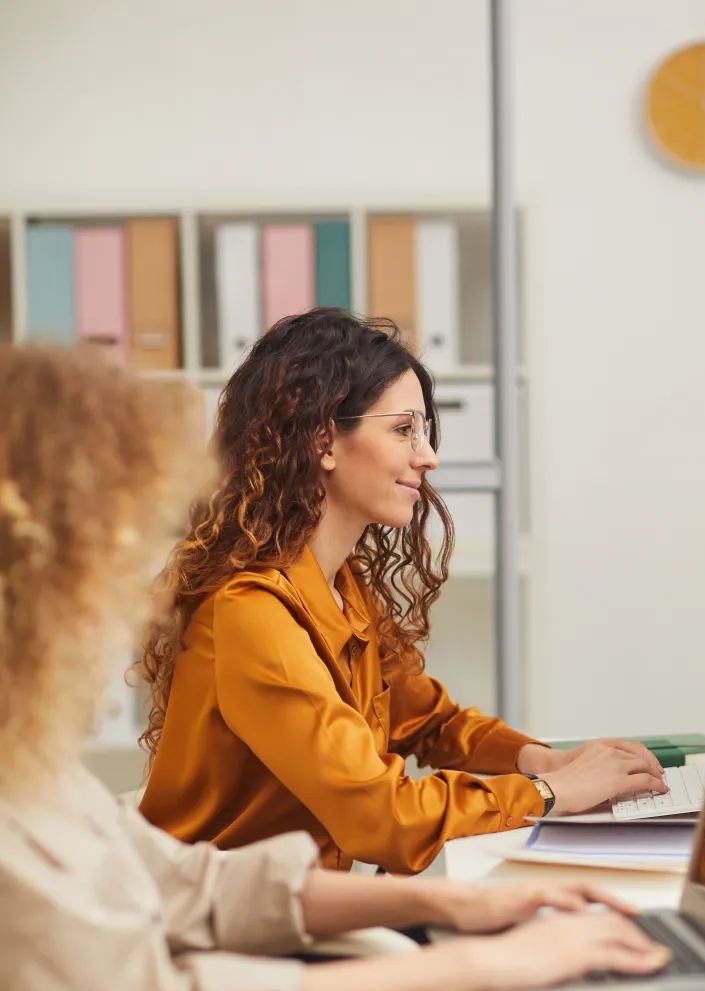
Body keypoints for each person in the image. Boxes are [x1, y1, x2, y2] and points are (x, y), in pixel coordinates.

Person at [0, 344, 670, 991]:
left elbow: (199, 886)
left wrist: (451, 908)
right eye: (105, 547)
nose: (121, 587)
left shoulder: (31, 762)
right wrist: (475, 958)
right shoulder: (242, 619)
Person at [138, 309, 667, 872]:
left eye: (424, 431)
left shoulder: (340, 584)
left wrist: (544, 760)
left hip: (293, 908)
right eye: (403, 429)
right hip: (218, 933)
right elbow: (383, 816)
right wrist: (550, 793)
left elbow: (427, 720)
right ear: (324, 440)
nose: (428, 455)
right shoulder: (252, 612)